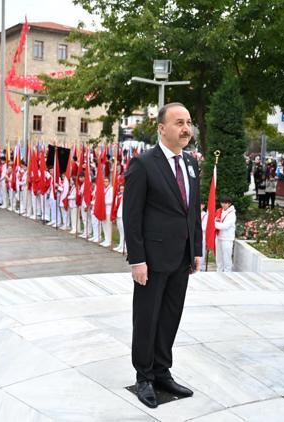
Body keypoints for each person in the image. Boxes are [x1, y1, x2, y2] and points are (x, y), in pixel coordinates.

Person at [123, 102, 202, 408]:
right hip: (152, 260)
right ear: (161, 128)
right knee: (147, 317)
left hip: (181, 257)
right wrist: (137, 260)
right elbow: (132, 216)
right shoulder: (144, 164)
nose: (186, 129)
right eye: (179, 123)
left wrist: (196, 249)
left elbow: (192, 210)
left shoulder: (191, 164)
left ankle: (162, 371)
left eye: (189, 122)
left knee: (170, 316)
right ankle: (144, 376)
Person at [214, 197, 236, 272]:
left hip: (227, 239)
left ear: (229, 204)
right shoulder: (219, 211)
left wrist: (212, 224)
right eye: (222, 202)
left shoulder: (232, 214)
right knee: (219, 258)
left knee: (227, 258)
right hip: (218, 237)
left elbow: (225, 226)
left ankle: (227, 274)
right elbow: (216, 220)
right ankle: (219, 273)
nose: (223, 204)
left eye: (225, 203)